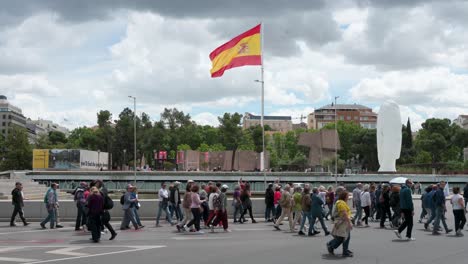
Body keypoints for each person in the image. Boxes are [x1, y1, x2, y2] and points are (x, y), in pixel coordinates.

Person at [327, 190, 353, 257]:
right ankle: (331, 246)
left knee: (345, 237)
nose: (348, 197)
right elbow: (344, 214)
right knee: (342, 237)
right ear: (344, 197)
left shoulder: (341, 202)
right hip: (342, 222)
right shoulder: (341, 203)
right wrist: (349, 223)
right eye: (347, 196)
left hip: (343, 222)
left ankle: (344, 250)